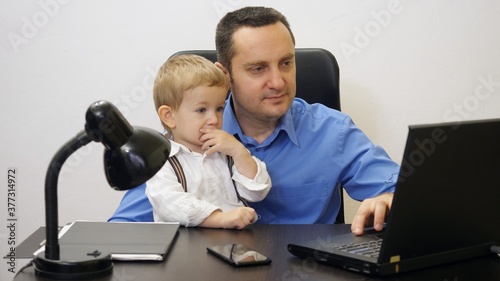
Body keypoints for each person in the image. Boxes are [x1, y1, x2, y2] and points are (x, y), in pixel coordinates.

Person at [109, 6, 400, 236]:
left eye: (286, 63)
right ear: (225, 75)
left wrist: (390, 201)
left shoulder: (331, 131)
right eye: (258, 68)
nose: (278, 82)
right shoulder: (182, 145)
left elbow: (409, 197)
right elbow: (124, 231)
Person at [146, 54, 271, 229]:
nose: (214, 119)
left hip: (234, 245)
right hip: (185, 248)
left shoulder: (225, 151)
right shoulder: (160, 160)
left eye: (219, 108)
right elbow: (171, 205)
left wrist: (239, 152)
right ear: (169, 116)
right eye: (201, 110)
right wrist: (221, 219)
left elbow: (257, 192)